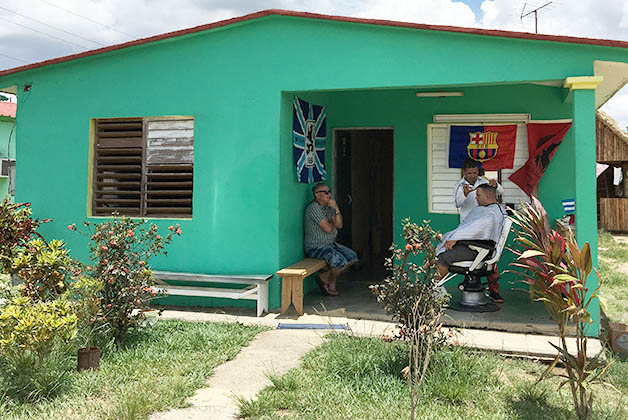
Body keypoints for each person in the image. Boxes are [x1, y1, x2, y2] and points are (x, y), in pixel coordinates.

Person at [436, 184, 506, 299]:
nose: (475, 198)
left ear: (488, 195)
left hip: (479, 250)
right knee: (440, 253)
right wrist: (451, 237)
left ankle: (433, 291)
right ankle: (436, 290)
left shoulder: (492, 214)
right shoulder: (487, 210)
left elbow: (476, 229)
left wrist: (455, 238)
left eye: (478, 195)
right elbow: (471, 229)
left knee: (443, 257)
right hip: (476, 248)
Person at [453, 158, 505, 302]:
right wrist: (464, 194)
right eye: (469, 173)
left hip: (485, 227)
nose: (472, 176)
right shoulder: (459, 186)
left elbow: (499, 191)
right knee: (469, 258)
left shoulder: (483, 181)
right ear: (464, 172)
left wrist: (496, 185)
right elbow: (457, 203)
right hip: (468, 228)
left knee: (489, 256)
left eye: (474, 172)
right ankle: (468, 284)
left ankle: (494, 290)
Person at [303, 182, 358, 296]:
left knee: (352, 257)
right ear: (317, 195)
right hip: (316, 246)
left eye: (330, 192)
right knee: (340, 263)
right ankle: (332, 280)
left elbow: (339, 225)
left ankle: (324, 276)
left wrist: (336, 209)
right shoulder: (313, 208)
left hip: (330, 244)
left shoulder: (329, 208)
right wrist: (333, 221)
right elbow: (328, 228)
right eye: (326, 192)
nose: (329, 194)